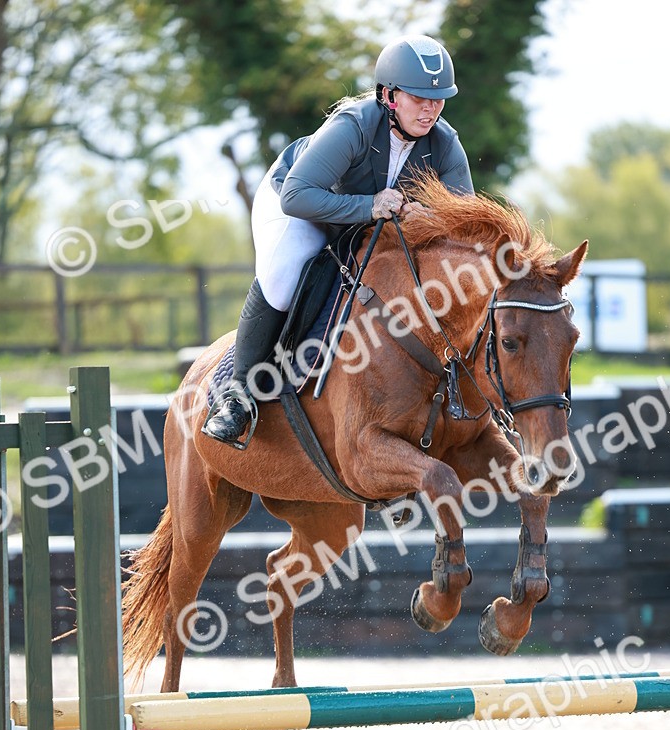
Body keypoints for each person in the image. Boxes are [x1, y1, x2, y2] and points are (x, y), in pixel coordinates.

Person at [202, 34, 473, 447]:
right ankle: (238, 397)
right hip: (297, 201)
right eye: (418, 97)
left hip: (369, 219)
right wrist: (370, 207)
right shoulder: (354, 125)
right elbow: (298, 195)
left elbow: (463, 225)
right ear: (389, 95)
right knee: (285, 274)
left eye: (437, 99)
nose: (430, 108)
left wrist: (430, 219)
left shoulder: (445, 143)